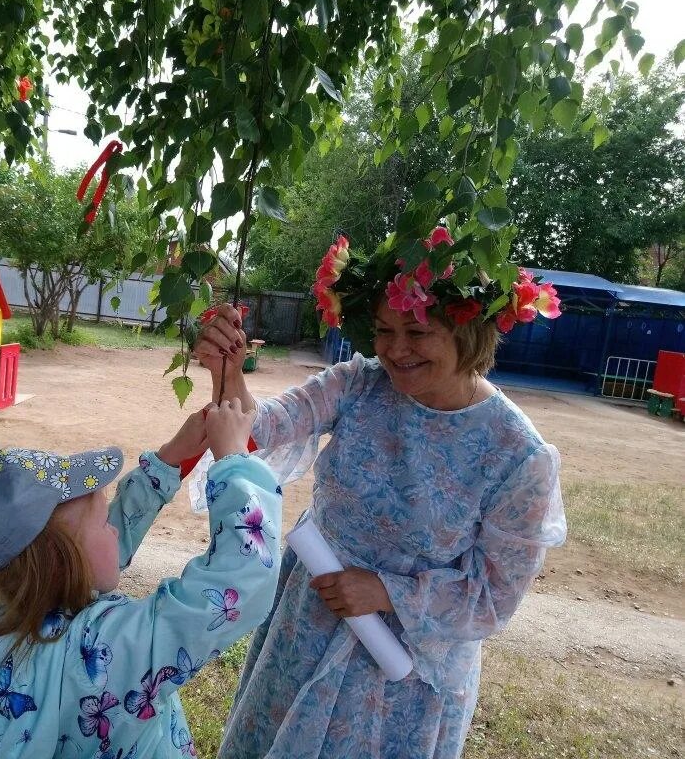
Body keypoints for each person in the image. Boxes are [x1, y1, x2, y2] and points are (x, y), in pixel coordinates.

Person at [194, 228, 567, 759]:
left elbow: (493, 597)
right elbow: (262, 428)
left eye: (416, 333)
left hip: (403, 675)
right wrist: (227, 373)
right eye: (384, 331)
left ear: (469, 330)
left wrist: (386, 591)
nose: (394, 350)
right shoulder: (359, 384)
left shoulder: (518, 456)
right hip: (310, 623)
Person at [0, 399, 282, 759]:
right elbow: (244, 576)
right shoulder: (108, 654)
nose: (113, 530)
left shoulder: (1, 633)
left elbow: (93, 554)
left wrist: (169, 460)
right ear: (65, 564)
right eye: (103, 522)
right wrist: (234, 461)